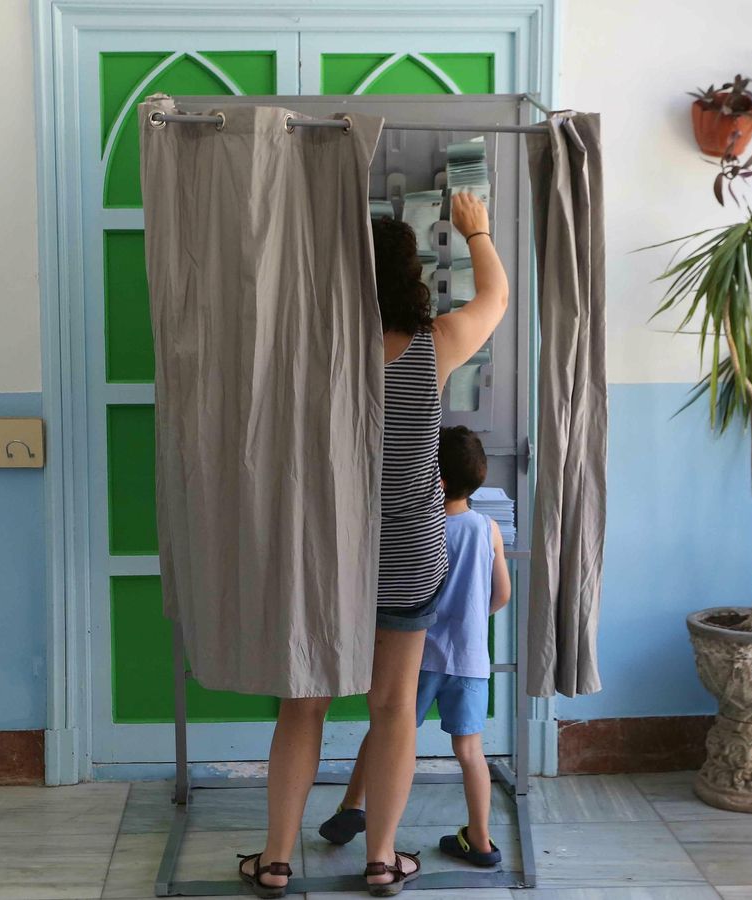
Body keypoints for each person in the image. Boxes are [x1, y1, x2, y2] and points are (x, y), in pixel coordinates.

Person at [238, 192, 509, 898]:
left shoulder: (310, 346)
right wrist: (476, 228)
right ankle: (383, 860)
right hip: (407, 555)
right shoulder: (436, 344)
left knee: (305, 706)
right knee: (392, 708)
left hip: (326, 551)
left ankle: (274, 861)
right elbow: (498, 294)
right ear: (409, 273)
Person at [317, 425, 512, 869]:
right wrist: (471, 616)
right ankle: (480, 840)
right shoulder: (489, 529)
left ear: (430, 476)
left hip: (415, 656)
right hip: (468, 660)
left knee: (388, 730)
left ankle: (353, 807)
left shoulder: (421, 529)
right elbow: (500, 595)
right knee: (470, 752)